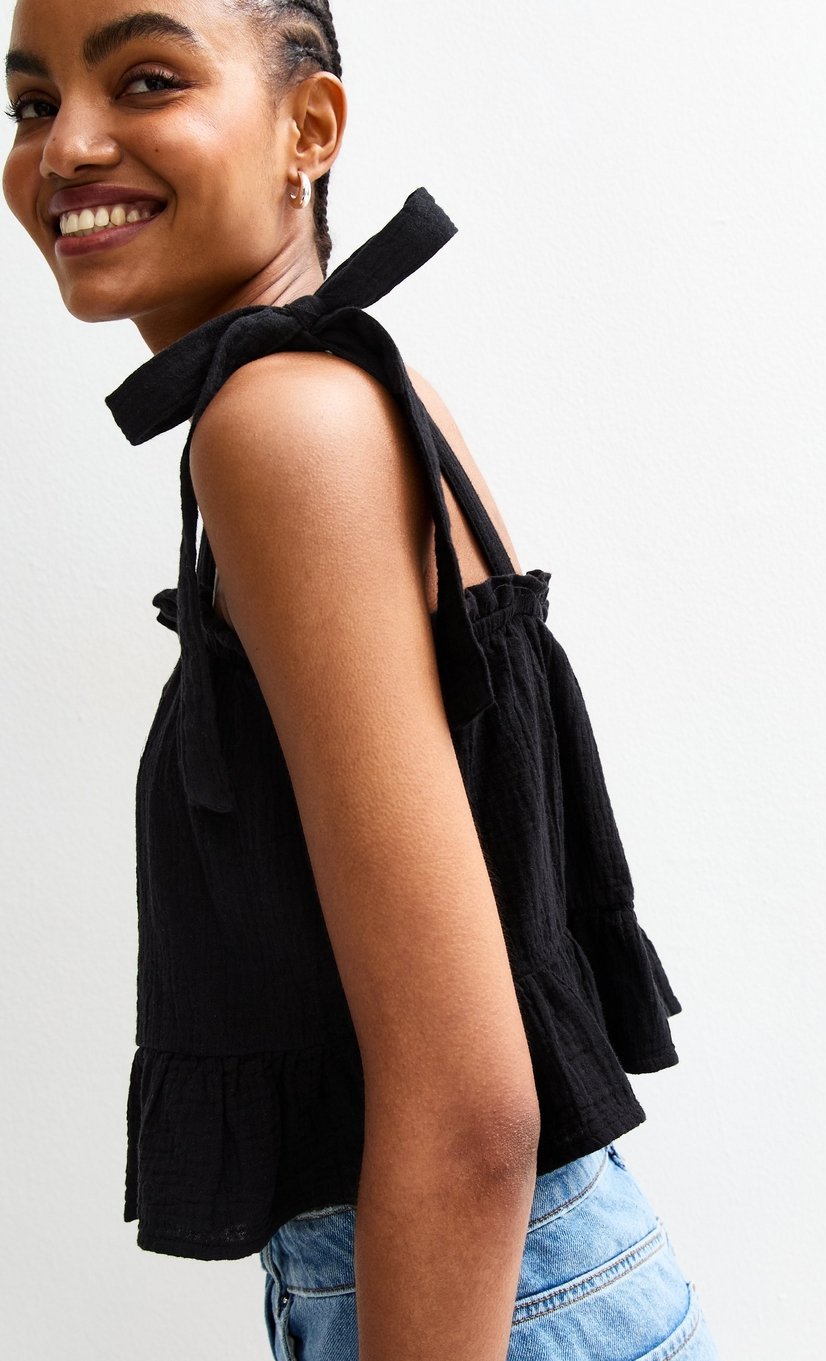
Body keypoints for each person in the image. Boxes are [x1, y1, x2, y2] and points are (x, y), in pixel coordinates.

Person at [3, 1, 721, 1358]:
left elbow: (470, 1103)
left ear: (310, 126)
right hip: (528, 1285)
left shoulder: (281, 424)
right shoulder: (347, 388)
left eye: (144, 80)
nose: (68, 147)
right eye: (32, 105)